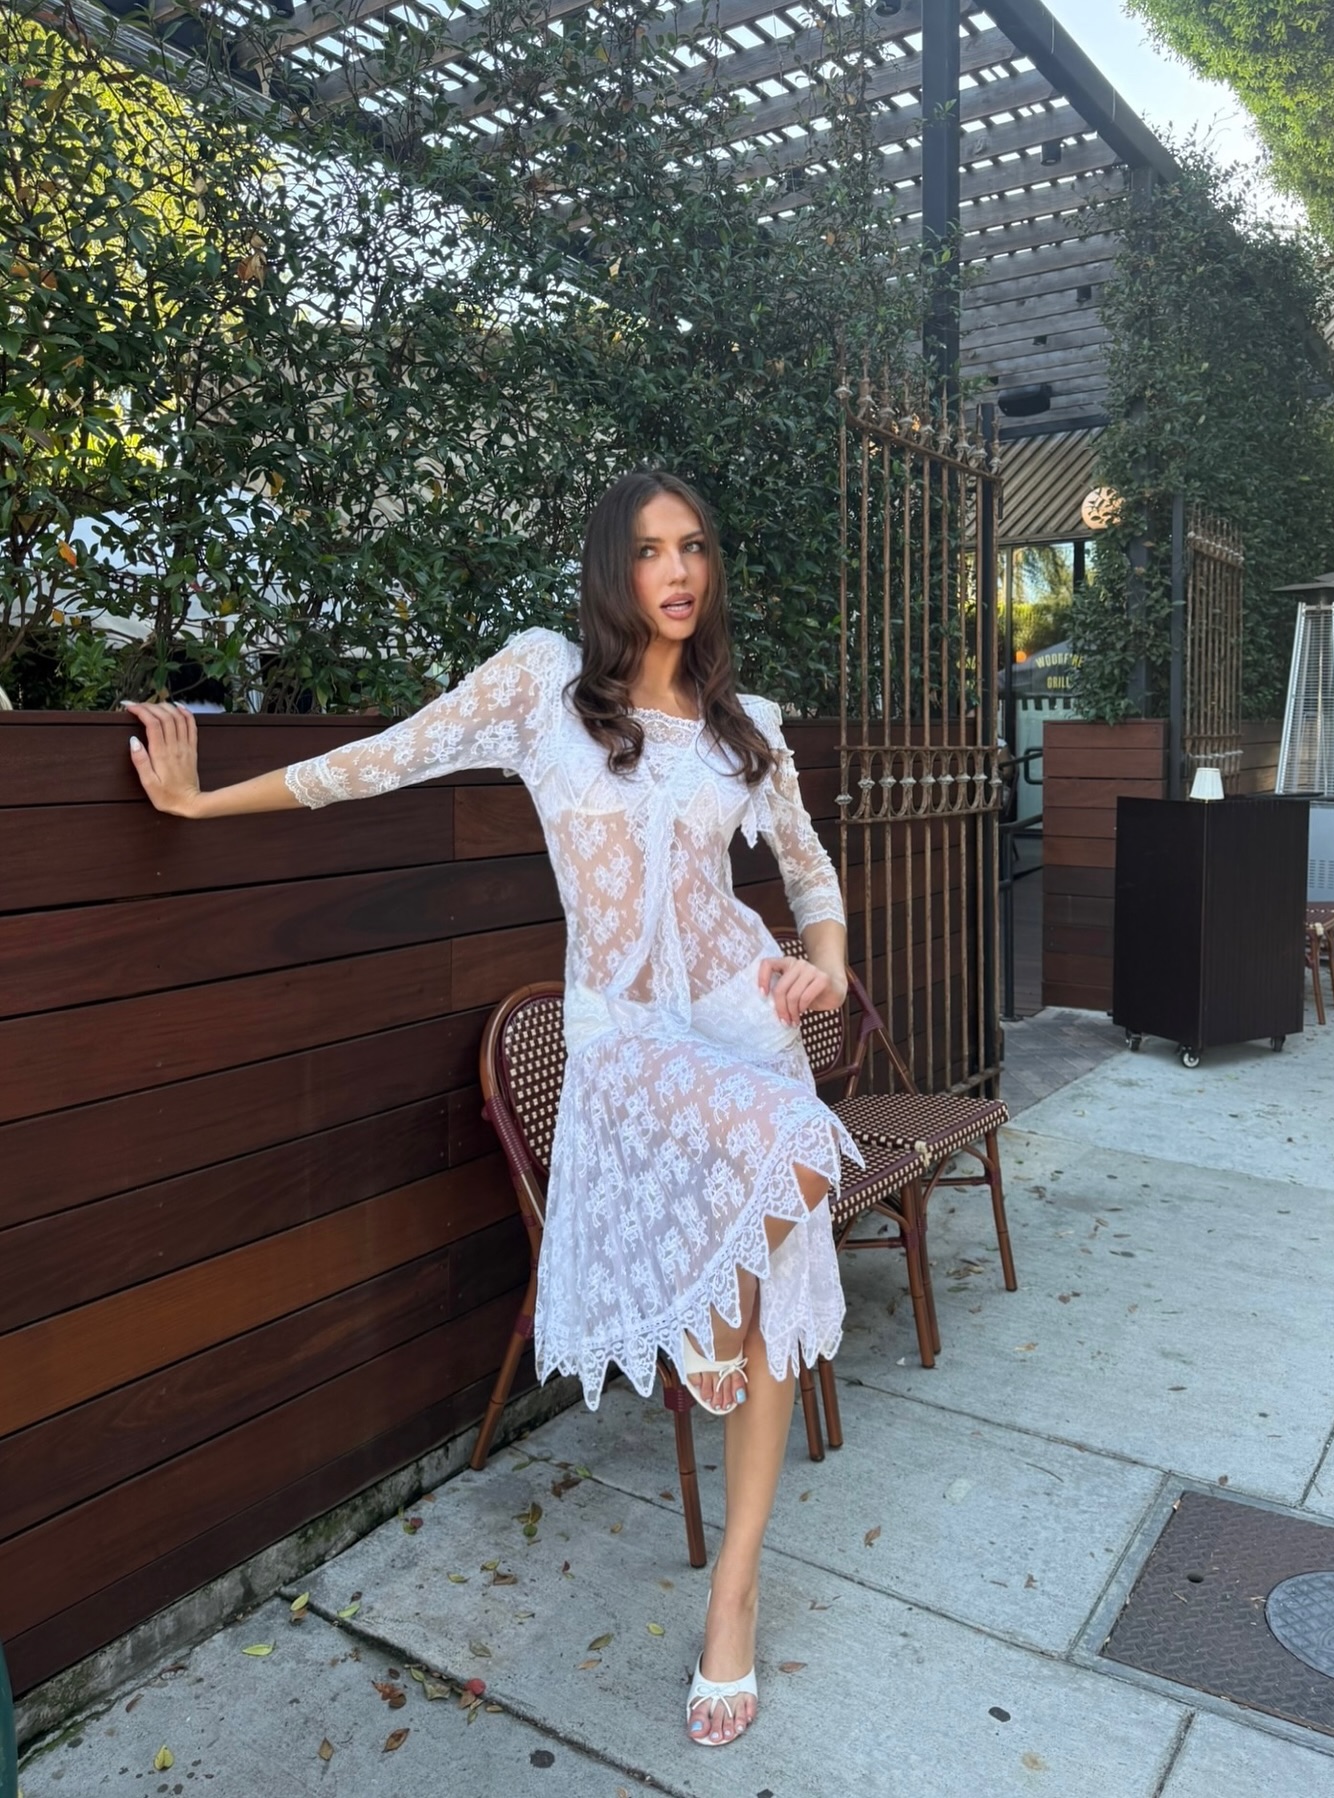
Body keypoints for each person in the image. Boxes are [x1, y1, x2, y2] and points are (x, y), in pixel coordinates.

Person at [123, 470, 858, 1750]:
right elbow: (382, 761)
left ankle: (734, 1592)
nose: (678, 571)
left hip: (744, 1018)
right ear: (611, 567)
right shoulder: (542, 688)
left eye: (693, 547)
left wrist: (828, 967)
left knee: (782, 1289)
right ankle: (707, 1314)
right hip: (627, 1040)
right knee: (784, 1193)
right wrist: (201, 801)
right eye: (650, 549)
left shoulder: (745, 728)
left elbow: (809, 871)